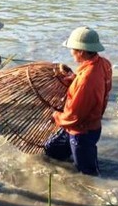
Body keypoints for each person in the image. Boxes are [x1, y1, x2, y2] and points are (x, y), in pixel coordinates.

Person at [44, 27, 112, 176]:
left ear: (81, 51)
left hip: (82, 131)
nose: (71, 52)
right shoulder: (103, 63)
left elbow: (73, 116)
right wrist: (72, 77)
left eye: (72, 49)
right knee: (52, 151)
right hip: (84, 125)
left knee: (88, 173)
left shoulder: (86, 79)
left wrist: (55, 115)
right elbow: (97, 87)